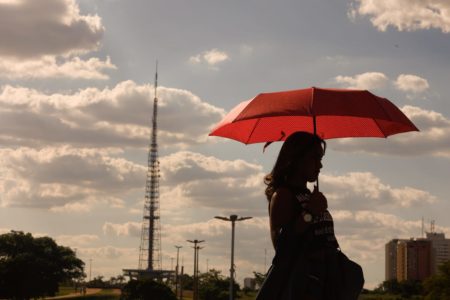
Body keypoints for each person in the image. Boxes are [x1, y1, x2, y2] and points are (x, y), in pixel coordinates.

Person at [263, 131, 341, 299]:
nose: (320, 166)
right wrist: (310, 212)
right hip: (302, 289)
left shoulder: (309, 196)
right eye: (315, 158)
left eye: (320, 159)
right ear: (296, 159)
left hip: (324, 285)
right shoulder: (283, 195)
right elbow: (282, 245)